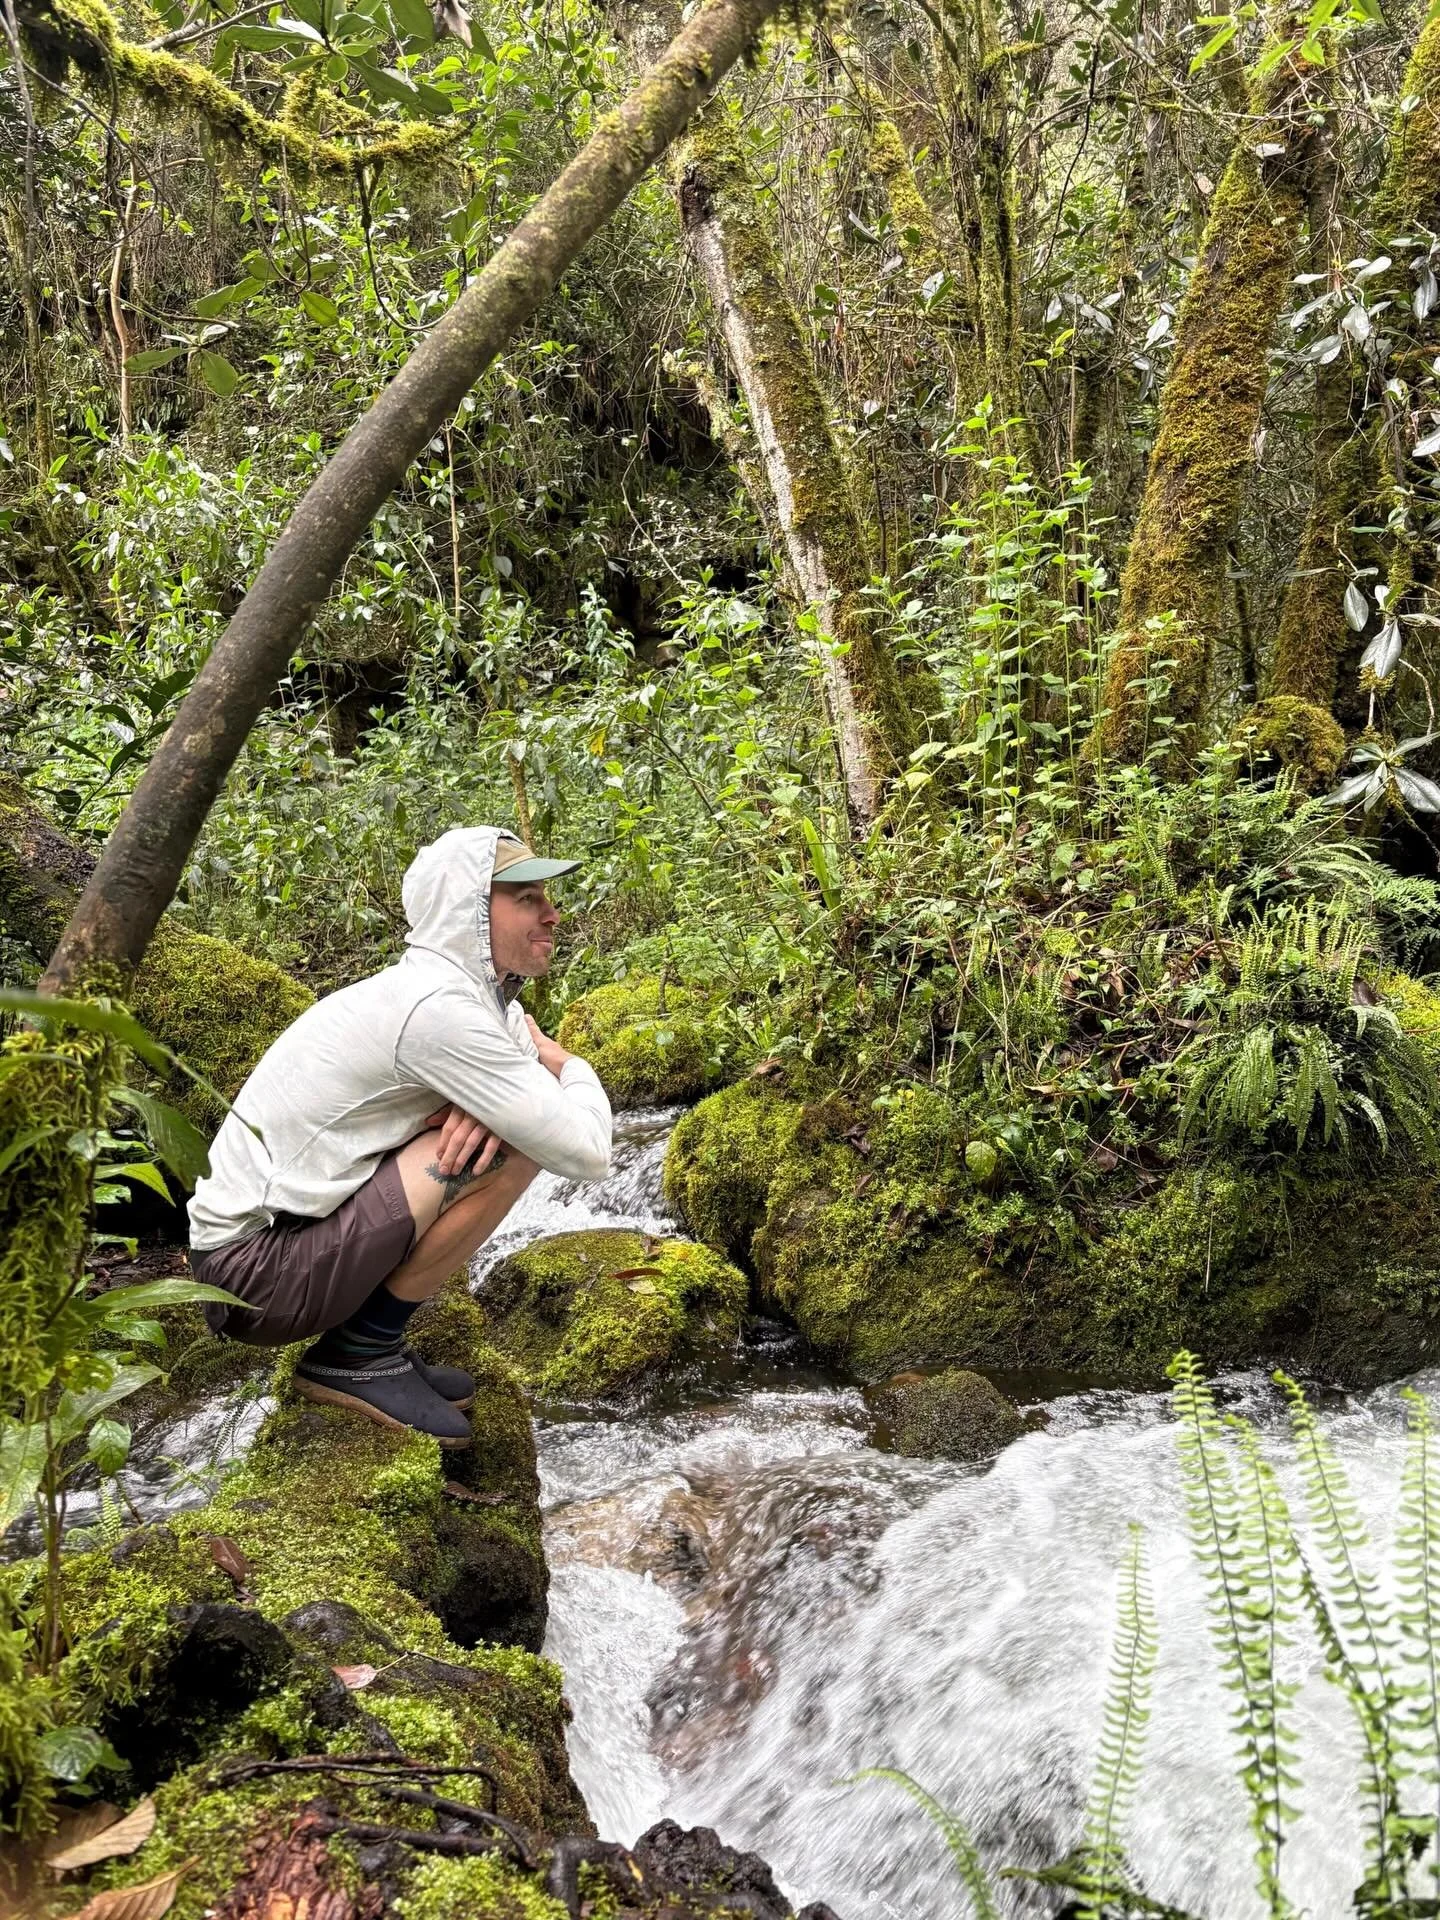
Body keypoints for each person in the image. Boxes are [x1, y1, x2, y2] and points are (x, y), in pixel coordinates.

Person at [187, 825, 612, 1447]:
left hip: (281, 1243)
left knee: (510, 1127)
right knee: (519, 1145)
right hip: (254, 1274)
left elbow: (529, 1064)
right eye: (527, 898)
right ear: (466, 910)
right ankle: (359, 1352)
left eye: (546, 896)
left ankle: (369, 1339)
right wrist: (573, 1067)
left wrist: (506, 1096)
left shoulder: (475, 996)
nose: (553, 914)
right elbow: (585, 1150)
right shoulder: (437, 1009)